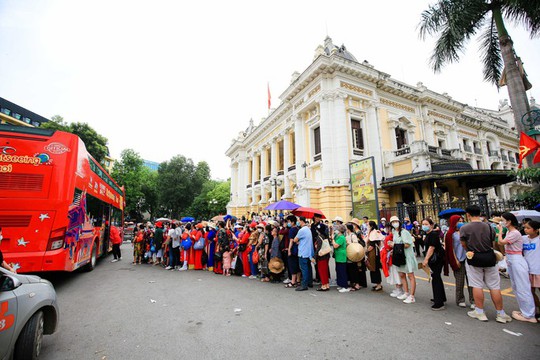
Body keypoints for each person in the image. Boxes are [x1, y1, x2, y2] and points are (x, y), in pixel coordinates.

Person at [461, 205, 511, 323]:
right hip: (489, 257)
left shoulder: (465, 228)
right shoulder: (489, 226)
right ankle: (500, 313)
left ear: (468, 214)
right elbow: (493, 242)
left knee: (477, 285)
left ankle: (480, 312)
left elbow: (463, 243)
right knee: (494, 286)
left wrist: (469, 250)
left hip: (474, 257)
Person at [497, 213, 537, 323]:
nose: (501, 222)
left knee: (523, 288)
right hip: (511, 260)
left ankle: (529, 315)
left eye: (502, 220)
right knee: (516, 287)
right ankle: (524, 311)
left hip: (517, 260)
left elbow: (501, 242)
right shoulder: (511, 232)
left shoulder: (514, 233)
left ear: (509, 221)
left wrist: (500, 231)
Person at [444, 215, 474, 309]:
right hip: (458, 259)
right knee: (460, 281)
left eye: (462, 220)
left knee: (472, 281)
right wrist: (455, 260)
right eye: (458, 221)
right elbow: (450, 248)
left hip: (468, 258)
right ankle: (460, 299)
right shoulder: (450, 234)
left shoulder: (466, 232)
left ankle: (473, 300)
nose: (461, 222)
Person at [389, 216, 417, 304]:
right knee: (402, 275)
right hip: (399, 257)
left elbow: (407, 244)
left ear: (399, 222)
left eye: (396, 221)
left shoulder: (404, 232)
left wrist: (395, 245)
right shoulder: (394, 232)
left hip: (407, 256)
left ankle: (412, 296)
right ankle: (406, 292)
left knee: (410, 276)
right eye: (392, 222)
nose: (394, 223)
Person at [421, 218, 447, 310]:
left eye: (426, 224)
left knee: (435, 278)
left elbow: (431, 248)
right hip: (435, 259)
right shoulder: (428, 234)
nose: (424, 226)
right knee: (437, 278)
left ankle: (439, 303)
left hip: (436, 259)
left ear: (431, 225)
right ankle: (440, 297)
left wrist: (426, 260)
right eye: (423, 224)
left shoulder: (433, 234)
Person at [522, 220, 540, 319]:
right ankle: (537, 308)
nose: (525, 230)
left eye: (528, 228)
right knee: (530, 292)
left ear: (536, 230)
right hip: (528, 270)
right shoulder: (523, 239)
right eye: (525, 227)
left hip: (538, 270)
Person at [294, 217, 314, 291]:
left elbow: (295, 239)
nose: (298, 222)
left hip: (303, 252)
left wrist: (297, 241)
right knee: (308, 268)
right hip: (308, 252)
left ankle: (304, 285)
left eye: (298, 221)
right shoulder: (308, 229)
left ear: (301, 221)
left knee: (304, 269)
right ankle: (309, 282)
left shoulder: (301, 230)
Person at [365, 221, 383, 292]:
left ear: (371, 226)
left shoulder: (375, 232)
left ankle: (379, 284)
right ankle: (377, 283)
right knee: (372, 268)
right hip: (371, 252)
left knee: (375, 268)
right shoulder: (371, 232)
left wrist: (366, 251)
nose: (367, 226)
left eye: (368, 225)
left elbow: (372, 245)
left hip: (374, 253)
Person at [345, 223, 362, 291]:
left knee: (354, 270)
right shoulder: (347, 235)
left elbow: (356, 244)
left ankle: (357, 284)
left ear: (348, 228)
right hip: (348, 254)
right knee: (350, 270)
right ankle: (353, 283)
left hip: (353, 254)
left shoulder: (353, 235)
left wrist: (349, 244)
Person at [285, 215, 301, 288]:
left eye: (289, 221)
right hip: (298, 250)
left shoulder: (292, 230)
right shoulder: (298, 229)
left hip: (293, 250)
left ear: (292, 222)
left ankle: (293, 282)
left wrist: (289, 250)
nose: (288, 223)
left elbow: (291, 240)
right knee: (298, 266)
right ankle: (298, 281)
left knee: (292, 266)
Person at [333, 224, 349, 293]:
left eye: (337, 229)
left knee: (342, 271)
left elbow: (336, 245)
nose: (336, 230)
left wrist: (332, 240)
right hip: (337, 256)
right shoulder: (337, 236)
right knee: (338, 270)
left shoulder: (342, 237)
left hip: (341, 256)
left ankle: (345, 286)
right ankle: (340, 284)